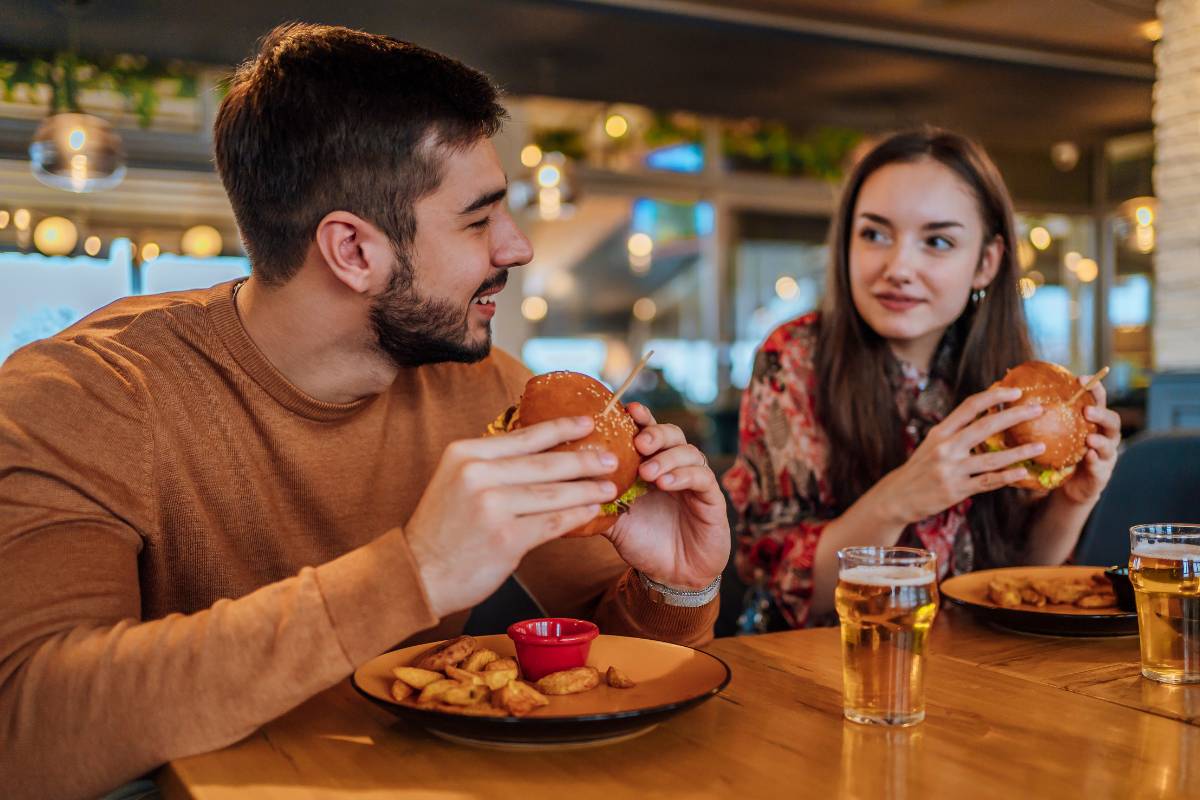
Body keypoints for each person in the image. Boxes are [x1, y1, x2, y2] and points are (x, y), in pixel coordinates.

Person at [0, 24, 729, 800]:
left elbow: (592, 676)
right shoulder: (88, 395)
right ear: (351, 251)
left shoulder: (488, 391)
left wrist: (673, 586)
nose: (517, 248)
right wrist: (412, 572)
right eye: (480, 220)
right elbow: (26, 731)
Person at [722, 128, 1120, 631]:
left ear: (986, 263)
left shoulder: (1008, 374)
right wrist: (905, 495)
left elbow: (1013, 580)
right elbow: (790, 588)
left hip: (977, 666)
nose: (899, 266)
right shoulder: (794, 359)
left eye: (936, 241)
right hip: (820, 665)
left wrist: (1071, 500)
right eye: (875, 234)